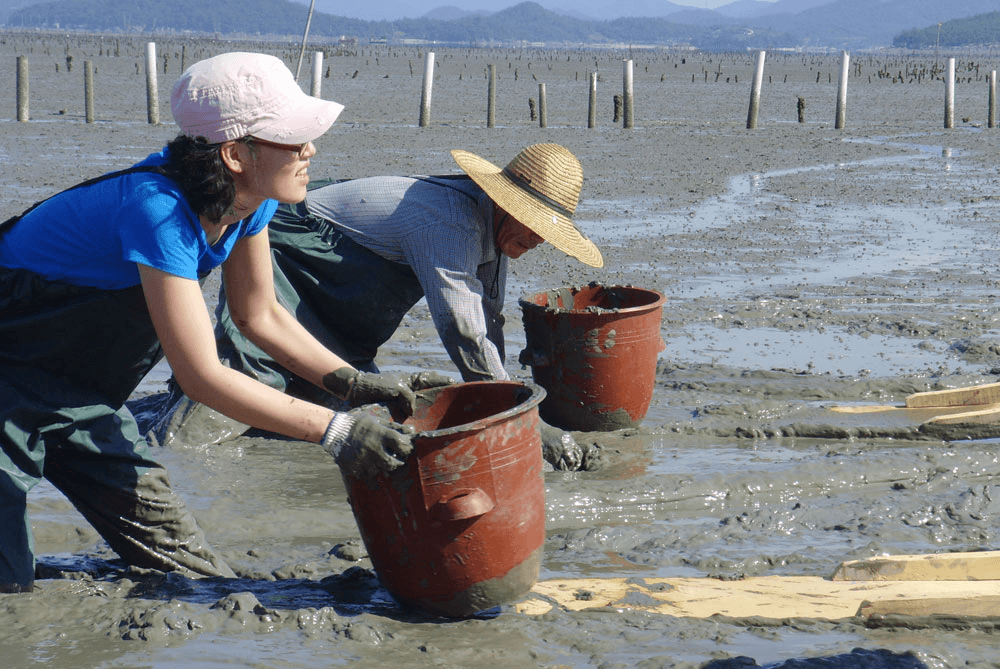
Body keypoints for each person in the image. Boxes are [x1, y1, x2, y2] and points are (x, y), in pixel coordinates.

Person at [0, 52, 447, 594]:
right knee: (9, 590)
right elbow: (201, 378)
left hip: (80, 396)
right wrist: (336, 431)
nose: (310, 149)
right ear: (236, 154)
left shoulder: (248, 203)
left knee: (192, 571)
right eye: (293, 138)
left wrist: (350, 383)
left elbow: (259, 315)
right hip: (11, 384)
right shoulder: (157, 210)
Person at [153, 142, 605, 470]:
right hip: (294, 260)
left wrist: (507, 398)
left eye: (546, 232)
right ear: (505, 204)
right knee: (247, 381)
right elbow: (463, 330)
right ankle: (165, 456)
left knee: (348, 403)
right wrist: (526, 423)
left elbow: (487, 323)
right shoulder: (452, 222)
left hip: (341, 305)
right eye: (531, 224)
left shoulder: (493, 235)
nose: (537, 240)